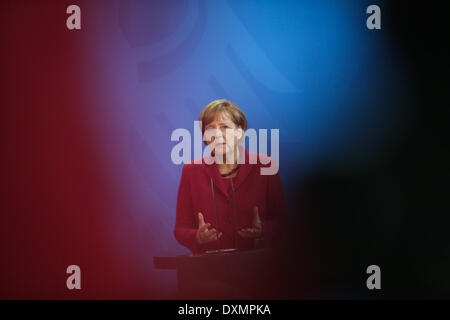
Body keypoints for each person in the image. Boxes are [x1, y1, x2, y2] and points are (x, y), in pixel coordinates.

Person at [174, 99, 286, 254]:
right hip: (208, 269)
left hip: (258, 267)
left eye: (225, 127)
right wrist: (197, 237)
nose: (218, 135)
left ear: (240, 132)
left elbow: (283, 221)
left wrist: (264, 230)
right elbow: (180, 229)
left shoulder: (265, 165)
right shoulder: (191, 171)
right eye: (210, 129)